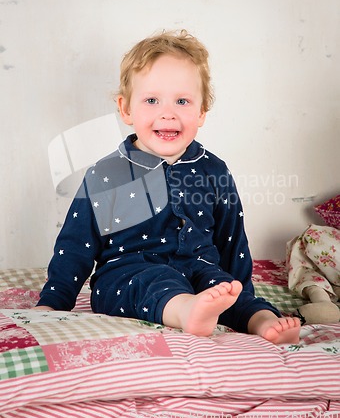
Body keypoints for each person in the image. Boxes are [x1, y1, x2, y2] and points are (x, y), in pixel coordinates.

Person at [34, 29, 301, 343]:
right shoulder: (107, 174)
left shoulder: (213, 170)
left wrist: (239, 291)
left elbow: (232, 240)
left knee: (223, 288)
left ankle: (264, 323)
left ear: (201, 112)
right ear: (126, 109)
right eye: (151, 100)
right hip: (128, 273)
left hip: (199, 269)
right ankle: (187, 311)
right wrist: (53, 303)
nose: (168, 112)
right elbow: (75, 246)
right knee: (153, 282)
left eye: (182, 101)